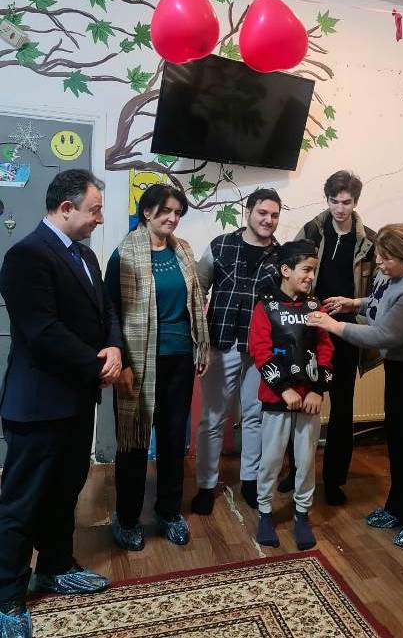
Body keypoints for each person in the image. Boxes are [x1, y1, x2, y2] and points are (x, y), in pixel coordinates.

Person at [0, 169, 123, 638]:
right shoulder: (26, 255)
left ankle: (54, 567)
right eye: (94, 210)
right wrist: (99, 365)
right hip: (37, 405)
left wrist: (114, 349)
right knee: (22, 503)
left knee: (64, 492)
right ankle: (7, 597)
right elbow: (43, 332)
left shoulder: (86, 256)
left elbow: (106, 311)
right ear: (66, 208)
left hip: (76, 401)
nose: (99, 218)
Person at [307, 223, 403, 548]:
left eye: (386, 259)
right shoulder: (396, 275)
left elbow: (383, 335)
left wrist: (333, 325)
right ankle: (399, 507)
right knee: (399, 440)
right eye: (379, 256)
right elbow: (381, 301)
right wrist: (354, 304)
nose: (380, 264)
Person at [105, 184, 209, 551]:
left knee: (173, 440)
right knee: (133, 442)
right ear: (147, 211)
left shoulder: (184, 251)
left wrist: (199, 347)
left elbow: (194, 302)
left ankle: (168, 512)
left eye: (178, 212)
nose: (173, 218)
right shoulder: (124, 254)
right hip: (138, 363)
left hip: (180, 359)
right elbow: (110, 310)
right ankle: (127, 519)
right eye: (166, 210)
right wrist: (120, 360)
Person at [289, 170, 377, 506]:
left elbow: (375, 291)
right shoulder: (311, 230)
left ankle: (334, 479)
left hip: (346, 332)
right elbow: (290, 272)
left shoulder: (369, 240)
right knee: (300, 402)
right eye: (334, 201)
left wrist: (352, 306)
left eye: (346, 202)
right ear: (326, 199)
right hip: (309, 328)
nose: (340, 208)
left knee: (342, 408)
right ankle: (294, 471)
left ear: (356, 202)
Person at [192, 188, 281, 515]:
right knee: (212, 419)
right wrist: (199, 339)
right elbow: (198, 289)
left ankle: (250, 481)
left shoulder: (282, 256)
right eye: (263, 213)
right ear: (248, 212)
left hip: (260, 349)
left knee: (255, 417)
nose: (268, 220)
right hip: (221, 343)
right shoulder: (220, 245)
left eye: (274, 215)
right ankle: (206, 485)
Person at [248, 240, 334, 550]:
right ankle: (265, 512)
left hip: (309, 400)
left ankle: (301, 514)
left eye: (313, 270)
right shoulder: (266, 306)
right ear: (286, 270)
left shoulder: (314, 307)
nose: (311, 276)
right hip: (277, 399)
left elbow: (325, 347)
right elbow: (260, 350)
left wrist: (317, 390)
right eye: (306, 270)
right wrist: (283, 388)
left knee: (306, 459)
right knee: (271, 459)